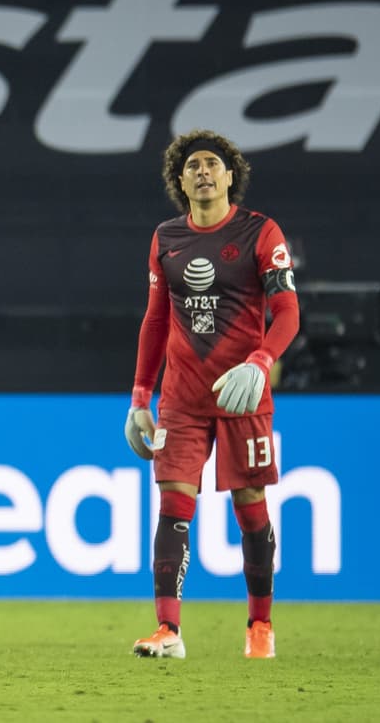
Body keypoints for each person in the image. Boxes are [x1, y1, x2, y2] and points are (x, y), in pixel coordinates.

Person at [124, 129, 299, 660]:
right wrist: (139, 397)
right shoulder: (165, 239)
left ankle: (260, 624)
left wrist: (262, 361)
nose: (203, 171)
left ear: (230, 175)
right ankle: (169, 631)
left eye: (212, 164)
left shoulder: (260, 233)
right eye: (192, 165)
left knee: (251, 506)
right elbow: (156, 321)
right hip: (182, 394)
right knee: (173, 502)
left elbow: (288, 312)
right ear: (180, 180)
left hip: (243, 393)